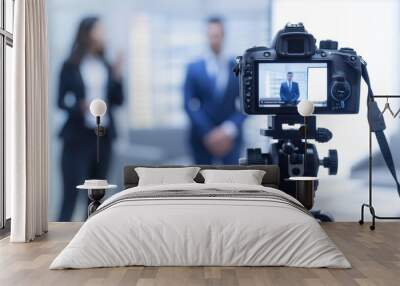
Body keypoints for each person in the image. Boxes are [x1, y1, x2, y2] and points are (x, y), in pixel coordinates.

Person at [57, 17, 124, 221]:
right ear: (86, 33)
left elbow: (119, 101)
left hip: (102, 137)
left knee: (97, 196)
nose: (103, 34)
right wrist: (80, 105)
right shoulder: (70, 65)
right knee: (71, 196)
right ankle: (61, 244)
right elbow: (60, 102)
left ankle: (92, 242)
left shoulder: (106, 65)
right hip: (77, 138)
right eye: (99, 30)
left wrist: (118, 76)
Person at [184, 17, 246, 164]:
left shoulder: (237, 67)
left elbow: (247, 104)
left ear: (223, 35)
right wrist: (208, 133)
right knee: (200, 184)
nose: (214, 40)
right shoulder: (194, 68)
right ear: (206, 36)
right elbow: (188, 104)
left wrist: (227, 130)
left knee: (232, 183)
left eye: (217, 35)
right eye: (211, 35)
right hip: (202, 140)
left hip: (231, 140)